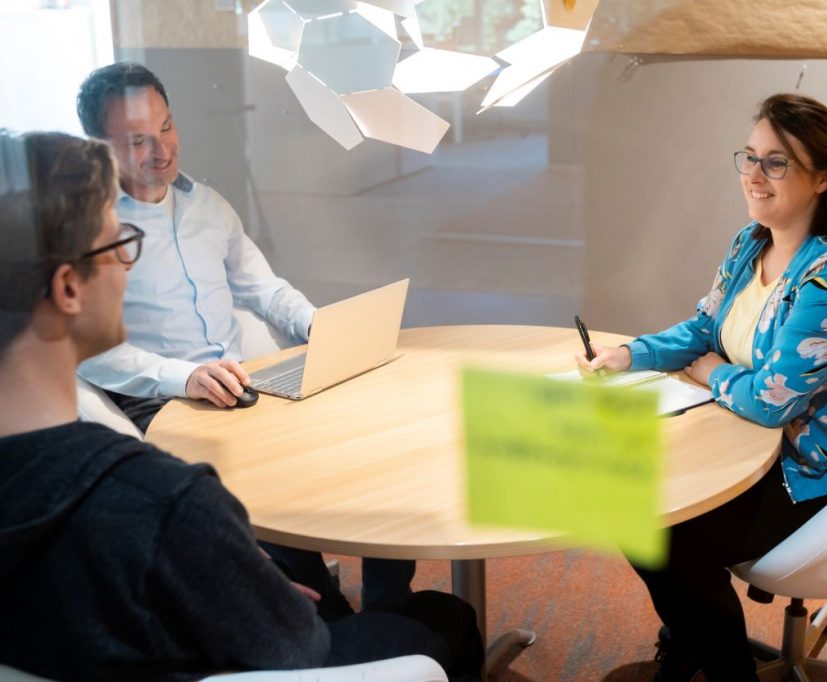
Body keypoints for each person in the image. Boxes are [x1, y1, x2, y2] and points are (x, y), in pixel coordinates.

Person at [0, 129, 482, 681]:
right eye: (120, 245)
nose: (129, 266)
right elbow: (296, 648)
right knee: (447, 616)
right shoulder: (162, 500)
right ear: (68, 289)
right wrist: (262, 594)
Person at [576, 93, 827, 681]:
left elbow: (770, 400)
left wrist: (709, 371)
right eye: (749, 157)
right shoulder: (750, 244)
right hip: (763, 441)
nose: (755, 176)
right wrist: (630, 354)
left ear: (824, 175)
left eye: (777, 162)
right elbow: (705, 327)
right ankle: (694, 643)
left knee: (670, 536)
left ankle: (721, 668)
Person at [74, 61, 414, 611]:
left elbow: (263, 288)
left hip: (243, 386)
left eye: (166, 127)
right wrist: (185, 376)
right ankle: (328, 614)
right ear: (97, 147)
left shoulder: (207, 205)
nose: (161, 149)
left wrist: (314, 322)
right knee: (291, 538)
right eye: (138, 140)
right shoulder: (87, 229)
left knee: (374, 449)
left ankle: (389, 605)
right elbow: (88, 351)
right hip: (162, 403)